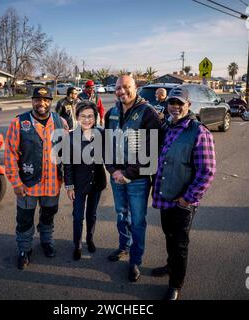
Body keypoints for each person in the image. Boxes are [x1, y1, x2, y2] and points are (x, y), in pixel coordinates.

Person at [150, 89, 216, 300]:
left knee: (179, 242)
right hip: (165, 195)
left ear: (188, 104)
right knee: (169, 235)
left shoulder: (199, 132)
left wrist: (188, 198)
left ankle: (176, 283)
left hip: (183, 200)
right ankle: (171, 267)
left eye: (180, 103)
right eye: (172, 102)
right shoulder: (166, 126)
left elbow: (207, 171)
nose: (175, 107)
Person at [4, 86, 69, 270]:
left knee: (48, 216)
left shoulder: (61, 122)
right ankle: (24, 249)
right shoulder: (19, 123)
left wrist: (68, 181)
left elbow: (67, 154)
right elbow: (10, 155)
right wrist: (16, 183)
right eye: (37, 100)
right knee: (24, 219)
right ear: (32, 101)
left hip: (52, 184)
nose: (42, 103)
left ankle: (46, 242)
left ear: (51, 101)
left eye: (46, 100)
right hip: (27, 184)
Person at [104, 75, 161, 282]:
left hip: (137, 179)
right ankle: (124, 246)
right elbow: (107, 145)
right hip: (116, 177)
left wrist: (127, 174)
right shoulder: (111, 112)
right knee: (121, 215)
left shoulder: (149, 113)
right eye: (118, 88)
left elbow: (152, 150)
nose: (122, 91)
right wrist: (113, 170)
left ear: (135, 88)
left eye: (126, 87)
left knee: (137, 220)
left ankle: (135, 260)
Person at [63, 101, 107, 260]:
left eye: (90, 116)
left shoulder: (101, 134)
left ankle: (89, 238)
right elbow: (67, 163)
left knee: (92, 214)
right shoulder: (70, 136)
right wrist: (69, 185)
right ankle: (77, 244)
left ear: (95, 118)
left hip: (96, 181)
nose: (87, 120)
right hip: (78, 182)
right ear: (77, 117)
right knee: (77, 215)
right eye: (83, 116)